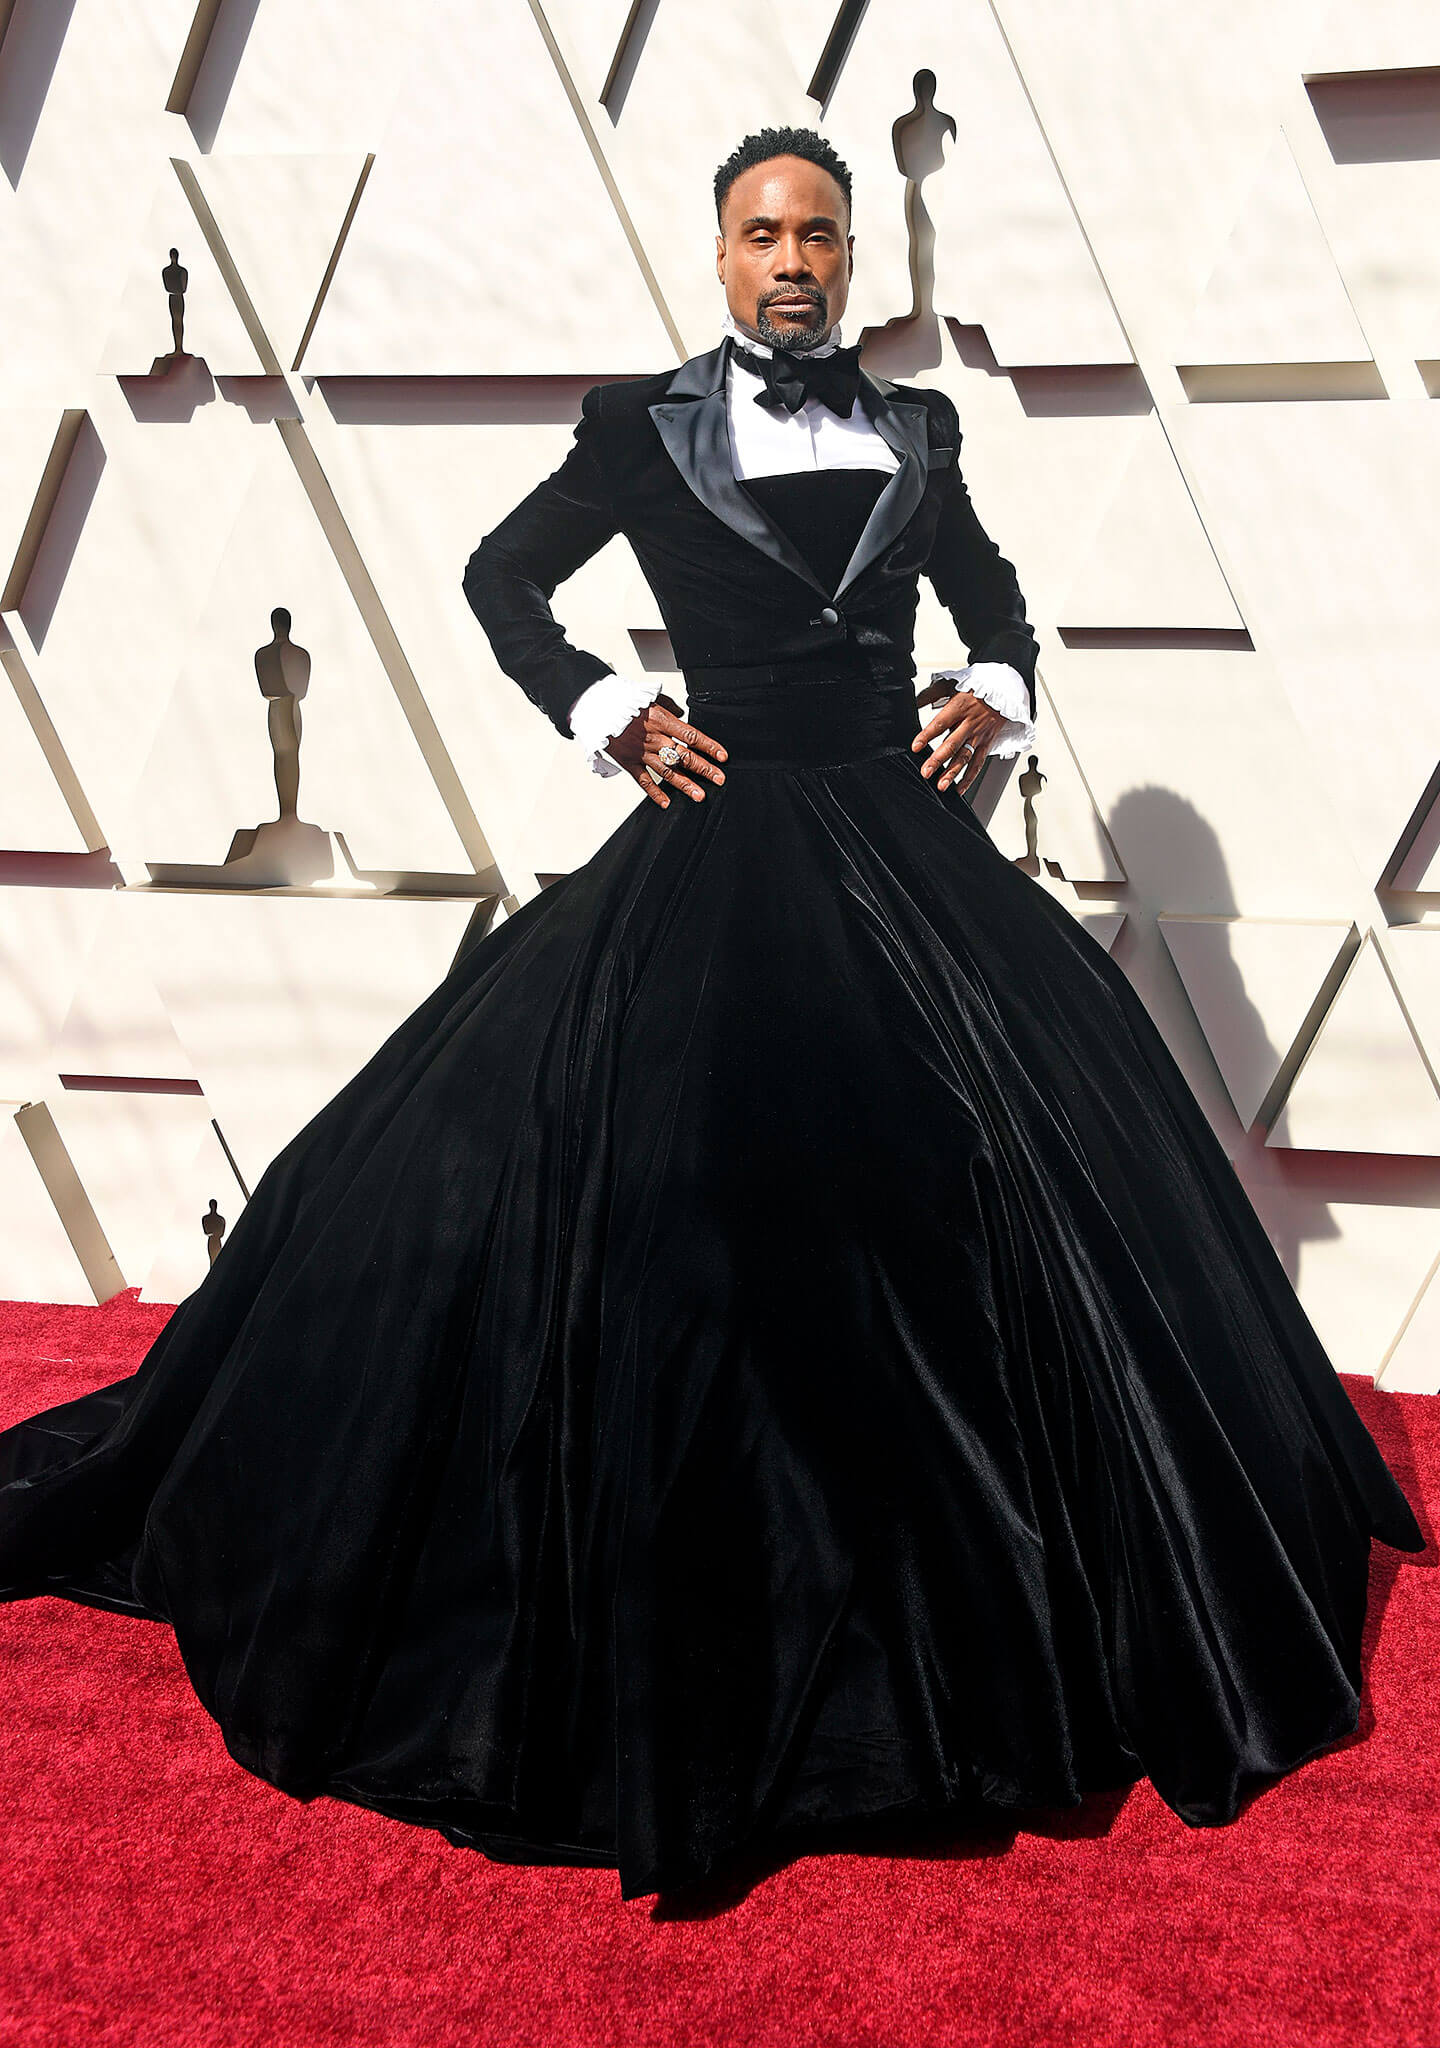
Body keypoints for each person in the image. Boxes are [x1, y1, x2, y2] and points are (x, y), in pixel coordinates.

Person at [0, 128, 1423, 1906]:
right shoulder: (641, 426)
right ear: (721, 256)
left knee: (981, 1208)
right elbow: (501, 583)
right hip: (716, 841)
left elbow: (992, 606)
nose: (795, 261)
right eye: (763, 235)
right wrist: (609, 711)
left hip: (907, 856)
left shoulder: (921, 430)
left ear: (854, 253)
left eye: (819, 232)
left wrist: (985, 691)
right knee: (672, 1211)